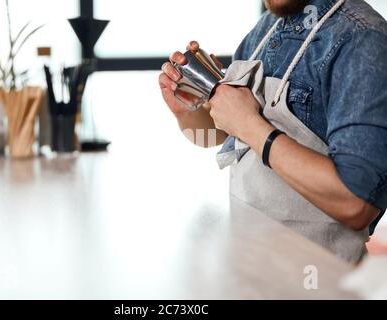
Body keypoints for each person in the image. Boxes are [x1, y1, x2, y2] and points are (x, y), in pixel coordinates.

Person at [159, 0, 387, 263]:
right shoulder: (266, 28)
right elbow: (220, 136)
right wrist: (188, 110)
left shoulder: (363, 41)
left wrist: (250, 125)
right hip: (250, 267)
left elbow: (355, 203)